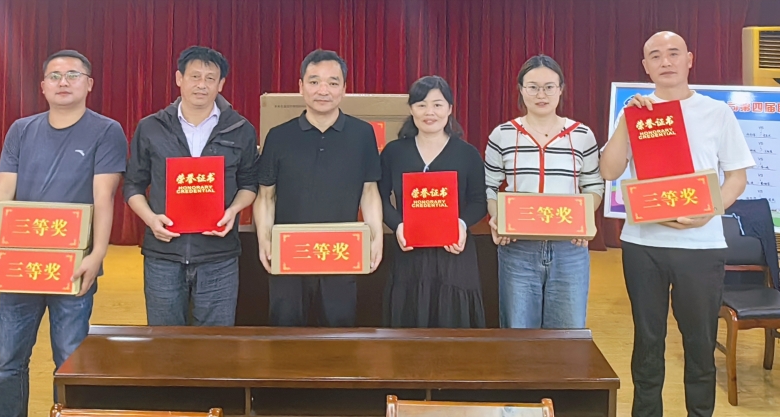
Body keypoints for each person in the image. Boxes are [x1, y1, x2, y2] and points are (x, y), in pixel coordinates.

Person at [600, 31, 753, 417]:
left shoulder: (717, 112)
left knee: (700, 345)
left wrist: (709, 210)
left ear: (689, 59)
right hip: (643, 245)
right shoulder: (634, 113)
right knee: (647, 343)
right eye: (655, 55)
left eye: (673, 53)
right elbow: (609, 170)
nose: (665, 61)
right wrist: (627, 121)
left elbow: (737, 177)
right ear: (645, 67)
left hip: (701, 247)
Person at [0, 50, 127, 417]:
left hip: (73, 266)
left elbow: (104, 196)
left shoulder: (107, 131)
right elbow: (2, 190)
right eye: (55, 75)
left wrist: (97, 254)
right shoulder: (21, 130)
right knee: (8, 360)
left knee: (70, 358)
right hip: (19, 265)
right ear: (43, 86)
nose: (64, 82)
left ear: (89, 84)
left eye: (73, 75)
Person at [124, 46, 258, 327]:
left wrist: (234, 210)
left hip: (218, 256)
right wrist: (150, 219)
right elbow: (133, 185)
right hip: (163, 255)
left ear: (221, 84)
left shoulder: (240, 129)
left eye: (210, 78)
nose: (202, 85)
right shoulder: (151, 127)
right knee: (165, 341)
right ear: (179, 79)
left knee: (215, 342)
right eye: (195, 76)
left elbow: (249, 184)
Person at [254, 49, 383, 327]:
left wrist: (376, 237)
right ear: (301, 87)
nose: (323, 90)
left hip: (341, 253)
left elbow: (369, 191)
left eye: (332, 82)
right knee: (286, 333)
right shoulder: (279, 136)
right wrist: (264, 239)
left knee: (340, 333)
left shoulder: (362, 134)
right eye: (314, 82)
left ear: (344, 89)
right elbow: (266, 196)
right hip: (290, 254)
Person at [484, 55, 604, 329]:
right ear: (521, 90)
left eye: (549, 87)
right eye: (533, 87)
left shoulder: (582, 135)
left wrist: (583, 220)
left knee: (567, 333)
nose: (541, 94)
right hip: (518, 248)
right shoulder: (503, 134)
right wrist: (498, 218)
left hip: (569, 249)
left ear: (561, 89)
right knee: (518, 332)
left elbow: (593, 185)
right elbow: (490, 186)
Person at [379, 76, 487, 328]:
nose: (430, 112)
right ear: (411, 109)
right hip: (409, 254)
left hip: (454, 254)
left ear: (450, 108)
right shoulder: (394, 152)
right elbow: (379, 198)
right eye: (421, 105)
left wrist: (461, 225)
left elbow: (479, 201)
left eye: (438, 105)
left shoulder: (467, 153)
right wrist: (398, 225)